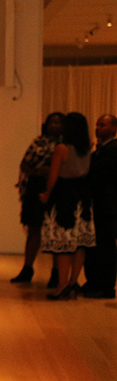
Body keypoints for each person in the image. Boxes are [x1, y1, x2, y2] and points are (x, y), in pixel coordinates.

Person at [40, 112, 96, 300]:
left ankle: (61, 286)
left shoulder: (61, 148)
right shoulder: (87, 147)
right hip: (83, 198)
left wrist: (46, 194)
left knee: (64, 245)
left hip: (64, 198)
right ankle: (73, 282)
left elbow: (54, 177)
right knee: (79, 244)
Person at [11, 113, 65, 286]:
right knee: (34, 229)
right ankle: (27, 268)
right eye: (51, 122)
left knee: (56, 231)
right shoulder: (38, 142)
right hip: (35, 189)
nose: (55, 125)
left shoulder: (66, 145)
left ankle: (56, 272)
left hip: (57, 190)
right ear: (46, 125)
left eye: (58, 122)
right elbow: (24, 164)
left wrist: (53, 171)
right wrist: (39, 172)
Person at [82, 114, 117, 299]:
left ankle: (106, 286)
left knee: (106, 246)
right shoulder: (97, 151)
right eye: (97, 125)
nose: (98, 128)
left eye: (102, 125)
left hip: (108, 205)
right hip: (96, 204)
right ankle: (93, 281)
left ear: (113, 128)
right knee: (93, 244)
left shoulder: (114, 149)